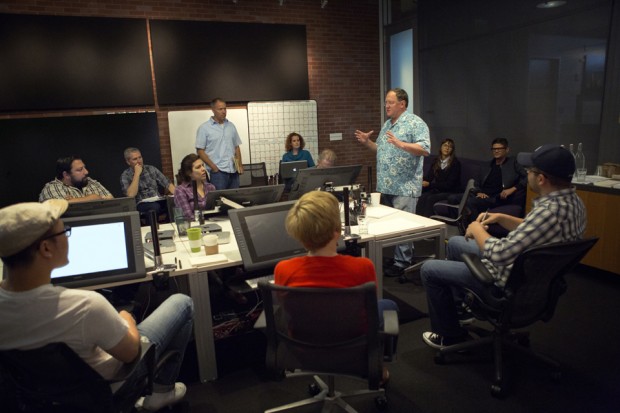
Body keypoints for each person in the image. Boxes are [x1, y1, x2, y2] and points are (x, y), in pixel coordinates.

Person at [0, 199, 194, 411]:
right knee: (182, 303)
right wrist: (126, 318)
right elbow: (130, 353)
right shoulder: (85, 306)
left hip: (38, 397)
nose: (67, 236)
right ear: (46, 248)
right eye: (64, 232)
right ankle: (161, 392)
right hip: (108, 385)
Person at [419, 144, 586, 349]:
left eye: (529, 171)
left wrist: (476, 228)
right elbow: (535, 229)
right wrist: (501, 217)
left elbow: (500, 254)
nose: (526, 173)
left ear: (541, 179)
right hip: (534, 277)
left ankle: (449, 336)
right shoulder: (573, 203)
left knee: (429, 269)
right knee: (455, 243)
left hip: (507, 284)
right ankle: (460, 312)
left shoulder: (549, 212)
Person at [274, 190, 398, 330]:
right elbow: (370, 306)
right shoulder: (363, 266)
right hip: (353, 345)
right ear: (337, 230)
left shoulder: (283, 269)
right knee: (389, 305)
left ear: (298, 233)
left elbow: (287, 310)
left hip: (303, 347)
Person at [354, 88, 431, 278]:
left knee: (404, 227)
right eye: (386, 102)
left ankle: (402, 263)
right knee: (392, 226)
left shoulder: (415, 123)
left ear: (402, 104)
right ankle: (398, 258)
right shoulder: (388, 124)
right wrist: (367, 142)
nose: (386, 105)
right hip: (386, 186)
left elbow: (425, 149)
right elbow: (381, 150)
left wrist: (401, 144)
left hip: (404, 186)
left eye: (390, 102)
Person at [459, 138, 527, 226]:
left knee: (470, 203)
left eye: (499, 149)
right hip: (482, 195)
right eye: (494, 149)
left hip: (496, 197)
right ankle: (462, 225)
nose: (496, 151)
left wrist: (513, 189)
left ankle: (477, 229)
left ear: (507, 150)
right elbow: (477, 182)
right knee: (453, 199)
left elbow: (527, 177)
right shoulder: (487, 165)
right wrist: (479, 192)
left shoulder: (513, 163)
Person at [195, 97, 243, 190]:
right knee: (219, 201)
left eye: (225, 108)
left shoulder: (231, 126)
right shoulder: (204, 128)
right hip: (218, 173)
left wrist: (239, 165)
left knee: (236, 200)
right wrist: (214, 168)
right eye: (220, 109)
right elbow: (200, 151)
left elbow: (236, 147)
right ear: (213, 110)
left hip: (233, 171)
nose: (224, 111)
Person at [120, 147, 175, 219]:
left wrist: (178, 195)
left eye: (140, 157)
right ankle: (152, 229)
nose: (139, 161)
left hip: (157, 199)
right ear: (128, 162)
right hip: (141, 204)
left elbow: (167, 183)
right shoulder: (125, 175)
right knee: (154, 207)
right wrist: (137, 174)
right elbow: (130, 195)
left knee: (174, 202)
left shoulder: (151, 169)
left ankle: (170, 224)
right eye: (135, 159)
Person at [417, 138, 462, 217]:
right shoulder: (436, 161)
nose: (447, 148)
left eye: (450, 147)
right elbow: (429, 178)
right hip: (438, 189)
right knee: (422, 196)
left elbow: (449, 185)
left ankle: (428, 222)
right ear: (441, 147)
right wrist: (421, 181)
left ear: (452, 150)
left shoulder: (455, 164)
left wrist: (430, 185)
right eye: (445, 145)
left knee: (430, 198)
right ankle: (418, 219)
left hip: (450, 191)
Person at [39, 156, 113, 203]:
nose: (86, 172)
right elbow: (57, 207)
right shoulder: (51, 188)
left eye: (84, 167)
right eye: (80, 170)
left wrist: (71, 201)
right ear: (66, 175)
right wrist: (94, 197)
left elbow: (112, 202)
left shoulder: (91, 182)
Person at [174, 153, 217, 222]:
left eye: (203, 166)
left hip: (213, 223)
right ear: (189, 173)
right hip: (194, 227)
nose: (203, 169)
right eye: (198, 167)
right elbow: (188, 216)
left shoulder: (210, 187)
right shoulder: (181, 190)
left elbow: (217, 211)